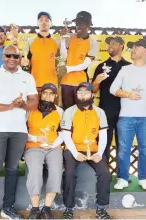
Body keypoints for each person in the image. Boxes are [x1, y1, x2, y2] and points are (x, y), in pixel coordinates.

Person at [0, 45, 38, 219]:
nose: (12, 58)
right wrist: (9, 106)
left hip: (19, 130)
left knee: (12, 169)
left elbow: (34, 102)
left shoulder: (27, 77)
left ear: (20, 58)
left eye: (16, 56)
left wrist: (22, 105)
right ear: (3, 57)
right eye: (9, 55)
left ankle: (8, 207)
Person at [110, 39, 146, 190]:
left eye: (136, 47)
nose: (132, 50)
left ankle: (143, 178)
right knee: (123, 149)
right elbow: (113, 89)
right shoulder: (125, 69)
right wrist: (128, 94)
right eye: (131, 47)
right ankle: (122, 178)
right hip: (126, 116)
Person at [61, 82, 111, 219]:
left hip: (94, 150)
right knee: (69, 174)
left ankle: (101, 209)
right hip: (73, 149)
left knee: (105, 174)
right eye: (80, 92)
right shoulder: (69, 111)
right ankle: (68, 209)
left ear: (92, 94)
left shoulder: (100, 112)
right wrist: (76, 153)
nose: (83, 94)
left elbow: (103, 136)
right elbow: (66, 136)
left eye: (86, 91)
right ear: (76, 95)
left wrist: (99, 154)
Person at [25, 83, 64, 219]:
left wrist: (54, 144)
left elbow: (63, 133)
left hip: (53, 147)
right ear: (40, 94)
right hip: (33, 146)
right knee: (35, 170)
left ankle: (47, 208)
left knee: (56, 171)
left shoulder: (59, 111)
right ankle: (35, 209)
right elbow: (21, 130)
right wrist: (36, 137)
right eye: (45, 93)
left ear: (55, 96)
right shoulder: (30, 109)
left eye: (51, 93)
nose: (47, 96)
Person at [91, 36, 131, 164]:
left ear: (121, 46)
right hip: (106, 110)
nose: (109, 46)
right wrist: (97, 81)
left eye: (113, 43)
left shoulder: (129, 67)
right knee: (104, 142)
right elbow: (93, 90)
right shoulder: (101, 66)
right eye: (109, 44)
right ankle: (104, 173)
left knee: (123, 143)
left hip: (125, 110)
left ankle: (122, 175)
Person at [58, 11, 98, 110]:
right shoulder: (70, 37)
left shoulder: (93, 42)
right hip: (66, 82)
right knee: (67, 112)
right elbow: (64, 57)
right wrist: (62, 40)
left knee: (80, 111)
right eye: (77, 23)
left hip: (81, 84)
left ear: (88, 25)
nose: (78, 26)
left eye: (82, 23)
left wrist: (67, 69)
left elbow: (85, 64)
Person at [22, 12, 67, 91]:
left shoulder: (56, 42)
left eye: (47, 20)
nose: (43, 22)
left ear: (51, 23)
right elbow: (24, 62)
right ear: (37, 23)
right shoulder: (30, 41)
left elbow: (61, 60)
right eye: (41, 20)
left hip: (52, 86)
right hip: (34, 85)